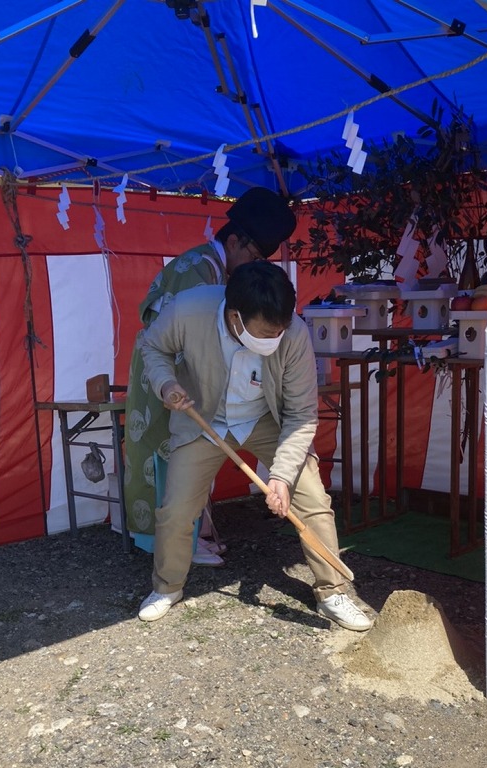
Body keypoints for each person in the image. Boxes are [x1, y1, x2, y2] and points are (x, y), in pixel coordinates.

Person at [136, 260, 372, 632]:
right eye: (267, 332)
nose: (275, 338)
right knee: (177, 508)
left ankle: (334, 591)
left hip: (268, 419)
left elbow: (301, 415)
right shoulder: (188, 309)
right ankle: (167, 586)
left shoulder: (294, 334)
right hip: (205, 416)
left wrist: (280, 476)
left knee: (311, 500)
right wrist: (166, 384)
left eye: (281, 329)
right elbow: (153, 347)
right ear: (235, 317)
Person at [124, 187, 298, 562]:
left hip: (177, 372)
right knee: (175, 450)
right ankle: (182, 544)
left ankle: (194, 534)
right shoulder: (199, 272)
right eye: (252, 256)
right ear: (233, 241)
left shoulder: (210, 266)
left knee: (190, 448)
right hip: (168, 375)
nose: (252, 266)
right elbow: (190, 340)